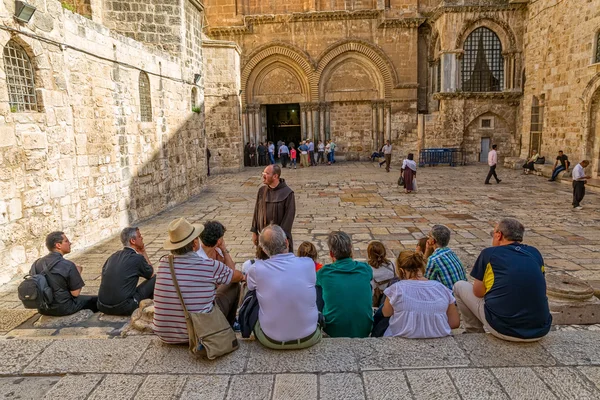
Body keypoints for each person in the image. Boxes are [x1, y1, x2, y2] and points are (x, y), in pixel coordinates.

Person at [453, 218, 552, 342]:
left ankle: (473, 332)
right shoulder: (535, 253)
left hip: (504, 328)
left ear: (499, 235)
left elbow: (478, 292)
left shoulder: (489, 254)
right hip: (541, 328)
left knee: (459, 286)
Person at [153, 218, 244, 344]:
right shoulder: (207, 265)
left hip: (165, 335)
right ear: (195, 243)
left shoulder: (163, 263)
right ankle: (227, 328)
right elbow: (238, 276)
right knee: (234, 285)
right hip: (199, 334)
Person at [247, 225, 321, 350]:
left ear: (264, 250)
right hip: (309, 336)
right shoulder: (308, 264)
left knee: (251, 290)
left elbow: (250, 287)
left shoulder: (256, 269)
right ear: (286, 242)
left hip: (271, 340)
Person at [372, 251, 460, 338]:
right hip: (437, 337)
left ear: (401, 270)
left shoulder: (396, 289)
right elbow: (454, 323)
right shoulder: (442, 288)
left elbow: (386, 313)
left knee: (385, 307)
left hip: (401, 336)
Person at [316, 231, 373, 338]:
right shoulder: (365, 269)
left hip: (333, 330)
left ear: (331, 254)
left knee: (319, 288)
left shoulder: (324, 273)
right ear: (350, 248)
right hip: (363, 329)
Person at [29, 231, 98, 316]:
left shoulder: (36, 264)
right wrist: (77, 272)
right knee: (97, 300)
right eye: (66, 241)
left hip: (42, 308)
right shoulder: (68, 265)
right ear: (58, 245)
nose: (70, 243)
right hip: (64, 308)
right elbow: (75, 293)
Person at [97, 227, 155, 316]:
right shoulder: (137, 258)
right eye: (139, 236)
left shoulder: (112, 257)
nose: (142, 238)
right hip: (125, 307)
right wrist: (143, 252)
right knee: (156, 279)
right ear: (133, 241)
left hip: (102, 306)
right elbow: (151, 274)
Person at [251, 164, 296, 252]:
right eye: (263, 173)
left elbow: (289, 218)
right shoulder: (261, 191)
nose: (263, 175)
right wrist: (254, 232)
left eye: (266, 173)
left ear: (275, 176)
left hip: (279, 242)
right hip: (263, 240)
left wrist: (280, 239)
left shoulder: (288, 193)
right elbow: (256, 212)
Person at [423, 224, 467, 291]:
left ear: (433, 241)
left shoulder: (434, 259)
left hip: (449, 297)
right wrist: (428, 250)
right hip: (461, 293)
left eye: (429, 237)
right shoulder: (451, 253)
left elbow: (425, 282)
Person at [367, 240, 395, 307]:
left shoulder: (368, 269)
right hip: (390, 298)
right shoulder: (392, 265)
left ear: (370, 254)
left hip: (375, 300)